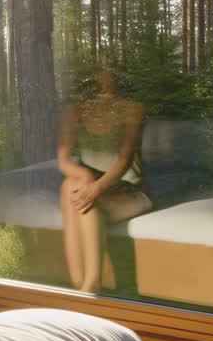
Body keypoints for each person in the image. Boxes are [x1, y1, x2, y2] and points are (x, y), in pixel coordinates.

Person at [56, 67, 152, 293]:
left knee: (85, 197)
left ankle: (91, 284)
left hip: (126, 188)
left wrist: (97, 187)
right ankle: (80, 283)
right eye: (99, 73)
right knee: (72, 185)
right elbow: (63, 160)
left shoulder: (132, 109)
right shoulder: (74, 112)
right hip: (89, 183)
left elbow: (125, 158)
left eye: (112, 72)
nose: (105, 79)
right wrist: (87, 178)